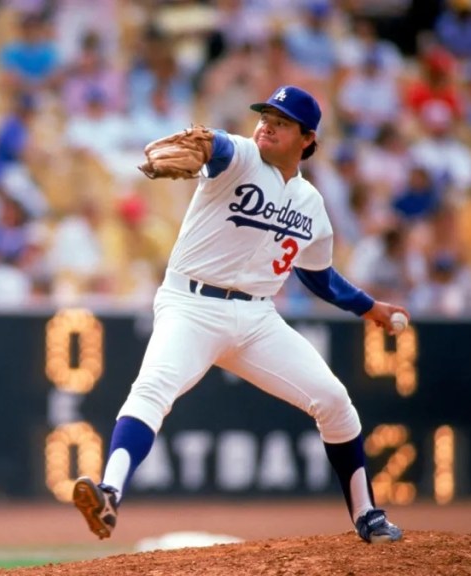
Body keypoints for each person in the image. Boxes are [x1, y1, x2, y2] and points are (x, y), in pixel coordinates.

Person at [72, 86, 407, 545]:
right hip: (190, 306)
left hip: (257, 320)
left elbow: (318, 277)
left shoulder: (311, 204)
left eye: (282, 121)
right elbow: (217, 145)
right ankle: (109, 492)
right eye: (265, 115)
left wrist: (371, 309)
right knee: (152, 390)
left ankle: (366, 515)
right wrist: (207, 144)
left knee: (334, 402)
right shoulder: (244, 155)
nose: (267, 124)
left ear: (308, 139)